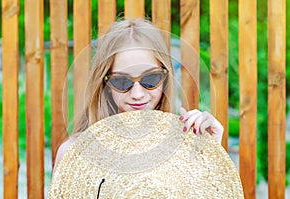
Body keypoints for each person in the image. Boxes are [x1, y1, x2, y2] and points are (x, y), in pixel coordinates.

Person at [53, 19, 223, 173]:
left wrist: (211, 152)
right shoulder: (73, 154)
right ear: (104, 84)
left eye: (150, 79)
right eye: (121, 81)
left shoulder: (185, 147)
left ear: (165, 78)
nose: (137, 94)